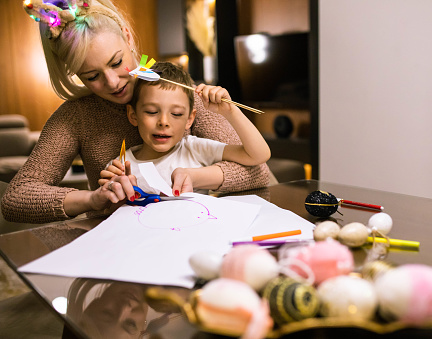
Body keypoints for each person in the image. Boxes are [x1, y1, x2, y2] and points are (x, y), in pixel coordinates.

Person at [1, 0, 270, 224]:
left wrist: (197, 175)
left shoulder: (178, 93)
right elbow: (16, 199)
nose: (113, 82)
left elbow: (258, 171)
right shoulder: (76, 116)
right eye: (92, 76)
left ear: (127, 37)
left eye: (117, 62)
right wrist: (92, 198)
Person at [100, 62, 270, 197]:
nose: (164, 122)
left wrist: (231, 112)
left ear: (190, 119)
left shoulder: (194, 149)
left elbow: (258, 155)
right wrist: (114, 192)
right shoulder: (121, 166)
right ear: (133, 115)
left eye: (176, 114)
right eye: (152, 112)